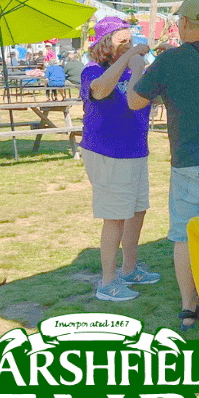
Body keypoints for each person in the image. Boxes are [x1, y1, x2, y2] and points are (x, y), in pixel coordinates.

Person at [128, 0, 199, 332]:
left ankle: (188, 306)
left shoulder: (169, 61)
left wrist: (142, 69)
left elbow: (135, 101)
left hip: (187, 161)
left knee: (184, 236)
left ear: (182, 22)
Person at [79, 17, 158, 303]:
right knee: (114, 217)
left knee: (137, 211)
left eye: (130, 40)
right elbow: (100, 90)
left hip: (136, 150)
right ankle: (108, 281)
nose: (129, 45)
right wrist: (128, 59)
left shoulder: (132, 68)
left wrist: (139, 68)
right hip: (108, 152)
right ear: (104, 43)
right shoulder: (92, 70)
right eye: (121, 41)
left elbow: (140, 100)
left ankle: (129, 268)